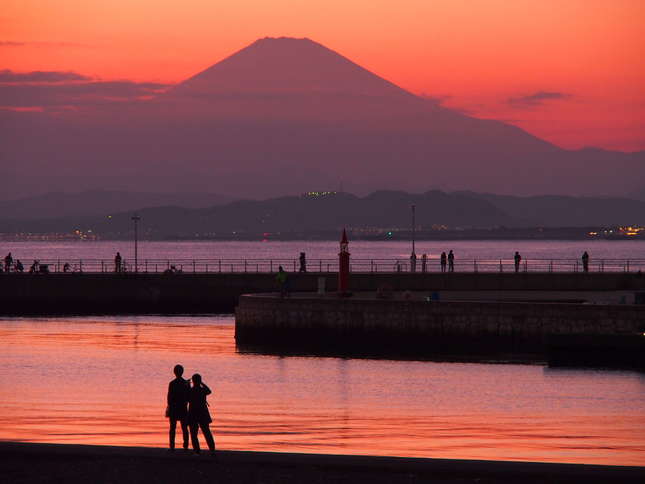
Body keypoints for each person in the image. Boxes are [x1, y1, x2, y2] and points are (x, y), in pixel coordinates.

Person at [187, 373, 215, 455]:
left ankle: (197, 450)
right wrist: (202, 383)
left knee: (193, 433)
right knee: (206, 431)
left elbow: (187, 397)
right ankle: (212, 449)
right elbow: (209, 391)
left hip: (193, 413)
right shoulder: (202, 390)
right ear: (199, 381)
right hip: (202, 412)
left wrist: (188, 385)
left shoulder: (191, 390)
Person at [167, 364, 190, 451]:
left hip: (174, 408)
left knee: (173, 428)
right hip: (183, 407)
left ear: (174, 372)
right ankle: (186, 446)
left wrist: (169, 406)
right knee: (184, 428)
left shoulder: (172, 383)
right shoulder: (186, 383)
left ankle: (172, 446)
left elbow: (169, 397)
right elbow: (188, 397)